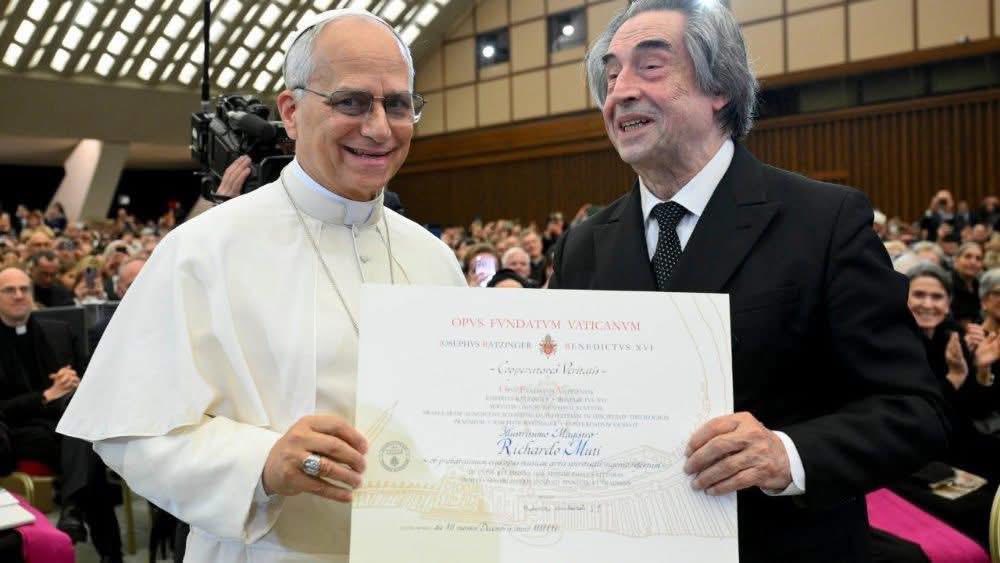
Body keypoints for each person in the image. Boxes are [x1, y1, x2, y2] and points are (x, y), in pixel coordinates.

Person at [57, 8, 464, 562]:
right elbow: (128, 431)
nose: (379, 128)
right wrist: (261, 464)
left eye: (397, 104)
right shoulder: (203, 250)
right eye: (351, 102)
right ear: (291, 112)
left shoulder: (433, 258)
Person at [547, 1, 948, 561]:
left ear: (720, 88)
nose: (621, 92)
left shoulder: (823, 221)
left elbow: (913, 410)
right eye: (611, 76)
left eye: (650, 67)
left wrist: (788, 455)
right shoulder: (584, 245)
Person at [0, 267, 122, 562]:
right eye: (9, 290)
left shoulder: (58, 332)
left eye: (24, 289)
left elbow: (89, 385)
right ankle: (101, 542)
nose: (19, 295)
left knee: (82, 440)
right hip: (19, 433)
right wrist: (45, 396)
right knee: (89, 455)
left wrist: (74, 382)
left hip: (63, 426)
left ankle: (74, 511)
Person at [950, 241, 984, 326]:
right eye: (968, 257)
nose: (973, 262)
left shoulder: (981, 287)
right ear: (956, 260)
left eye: (978, 259)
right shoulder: (947, 284)